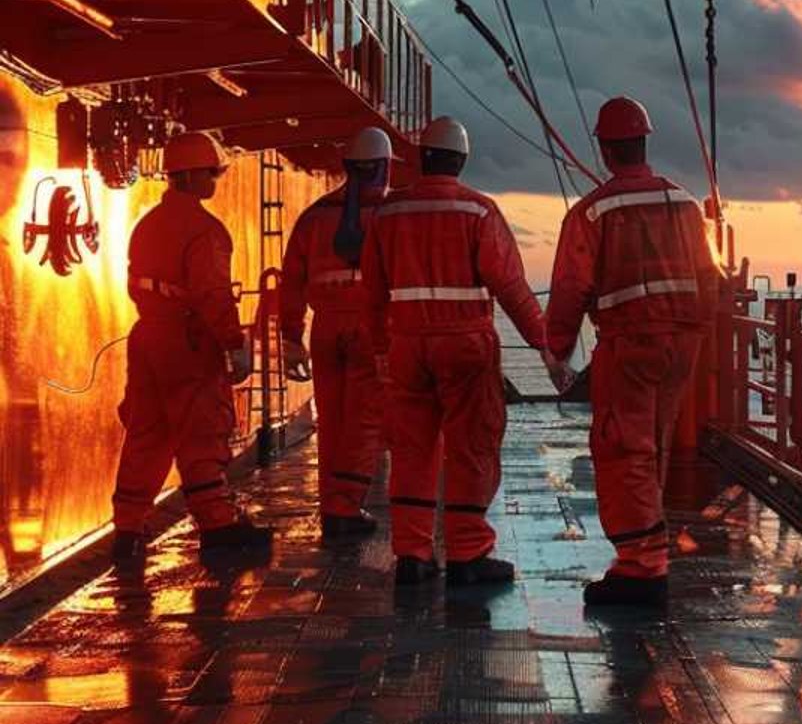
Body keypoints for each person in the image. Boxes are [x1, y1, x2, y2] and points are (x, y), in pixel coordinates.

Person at [362, 116, 557, 587]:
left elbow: (371, 292)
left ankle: (412, 554)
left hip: (407, 346)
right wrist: (546, 344)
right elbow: (510, 286)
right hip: (465, 347)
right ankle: (468, 553)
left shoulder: (388, 214)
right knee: (471, 448)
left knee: (411, 450)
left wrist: (380, 349)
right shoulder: (478, 212)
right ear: (462, 161)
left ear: (421, 158)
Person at [546, 97, 720, 608]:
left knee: (624, 450)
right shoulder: (685, 204)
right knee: (656, 445)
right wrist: (697, 329)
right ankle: (648, 552)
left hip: (630, 345)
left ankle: (642, 568)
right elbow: (710, 278)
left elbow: (571, 287)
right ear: (645, 141)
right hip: (682, 344)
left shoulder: (591, 212)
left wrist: (557, 350)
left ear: (604, 149)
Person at [110, 131, 270, 563]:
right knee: (202, 431)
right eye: (213, 173)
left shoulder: (147, 224)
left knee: (148, 433)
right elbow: (211, 293)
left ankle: (127, 530)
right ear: (197, 175)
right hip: (187, 341)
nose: (216, 181)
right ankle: (217, 525)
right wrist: (234, 343)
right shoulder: (205, 230)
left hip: (147, 337)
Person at [281, 126, 393, 539]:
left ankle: (332, 500)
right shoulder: (390, 215)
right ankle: (345, 506)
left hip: (325, 329)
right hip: (372, 326)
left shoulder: (314, 216)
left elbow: (291, 280)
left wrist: (291, 337)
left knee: (331, 418)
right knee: (365, 420)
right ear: (382, 168)